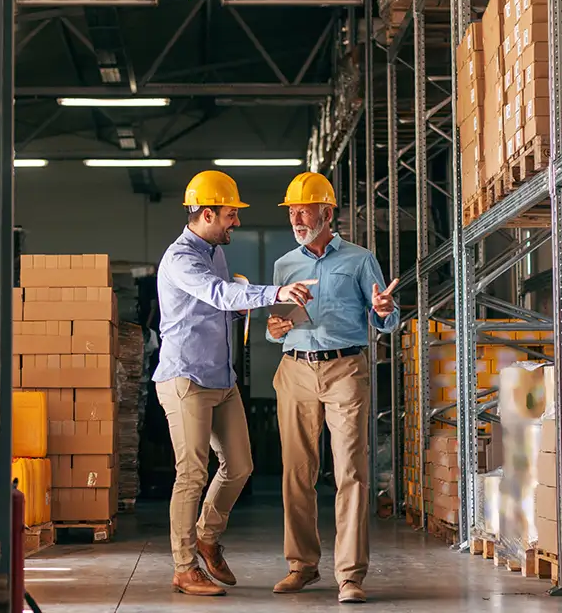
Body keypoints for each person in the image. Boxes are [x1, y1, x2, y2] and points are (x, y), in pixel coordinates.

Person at [153, 170, 318, 597]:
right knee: (191, 473)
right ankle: (184, 566)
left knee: (239, 466)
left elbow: (222, 302)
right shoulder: (182, 258)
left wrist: (244, 306)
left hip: (220, 378)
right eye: (230, 215)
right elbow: (220, 295)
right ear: (207, 213)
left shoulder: (214, 250)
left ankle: (207, 536)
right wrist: (276, 293)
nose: (236, 222)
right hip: (185, 377)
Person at [266, 172, 399, 604]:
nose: (297, 218)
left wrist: (384, 309)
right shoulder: (285, 265)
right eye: (292, 211)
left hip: (345, 370)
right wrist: (274, 326)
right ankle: (301, 566)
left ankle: (350, 575)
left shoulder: (360, 260)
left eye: (304, 210)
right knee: (297, 472)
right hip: (295, 369)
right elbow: (275, 327)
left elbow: (385, 318)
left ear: (328, 212)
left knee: (351, 473)